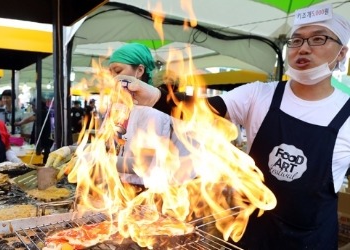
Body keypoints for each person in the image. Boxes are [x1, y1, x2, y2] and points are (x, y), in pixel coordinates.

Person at [114, 9, 350, 250]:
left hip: (312, 240)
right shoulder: (260, 94)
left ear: (342, 51)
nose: (304, 48)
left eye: (319, 39)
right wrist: (154, 95)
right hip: (253, 232)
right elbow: (202, 109)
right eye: (296, 40)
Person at [46, 43, 173, 187]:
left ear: (140, 70)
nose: (113, 77)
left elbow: (144, 163)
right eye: (110, 72)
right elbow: (105, 146)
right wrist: (71, 149)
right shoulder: (117, 107)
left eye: (118, 71)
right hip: (117, 187)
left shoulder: (153, 111)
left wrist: (99, 160)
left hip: (144, 193)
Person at [15, 98, 53, 164]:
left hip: (42, 146)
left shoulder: (42, 112)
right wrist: (24, 135)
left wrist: (19, 123)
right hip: (39, 144)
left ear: (38, 106)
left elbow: (31, 118)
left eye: (33, 106)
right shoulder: (43, 113)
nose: (32, 107)